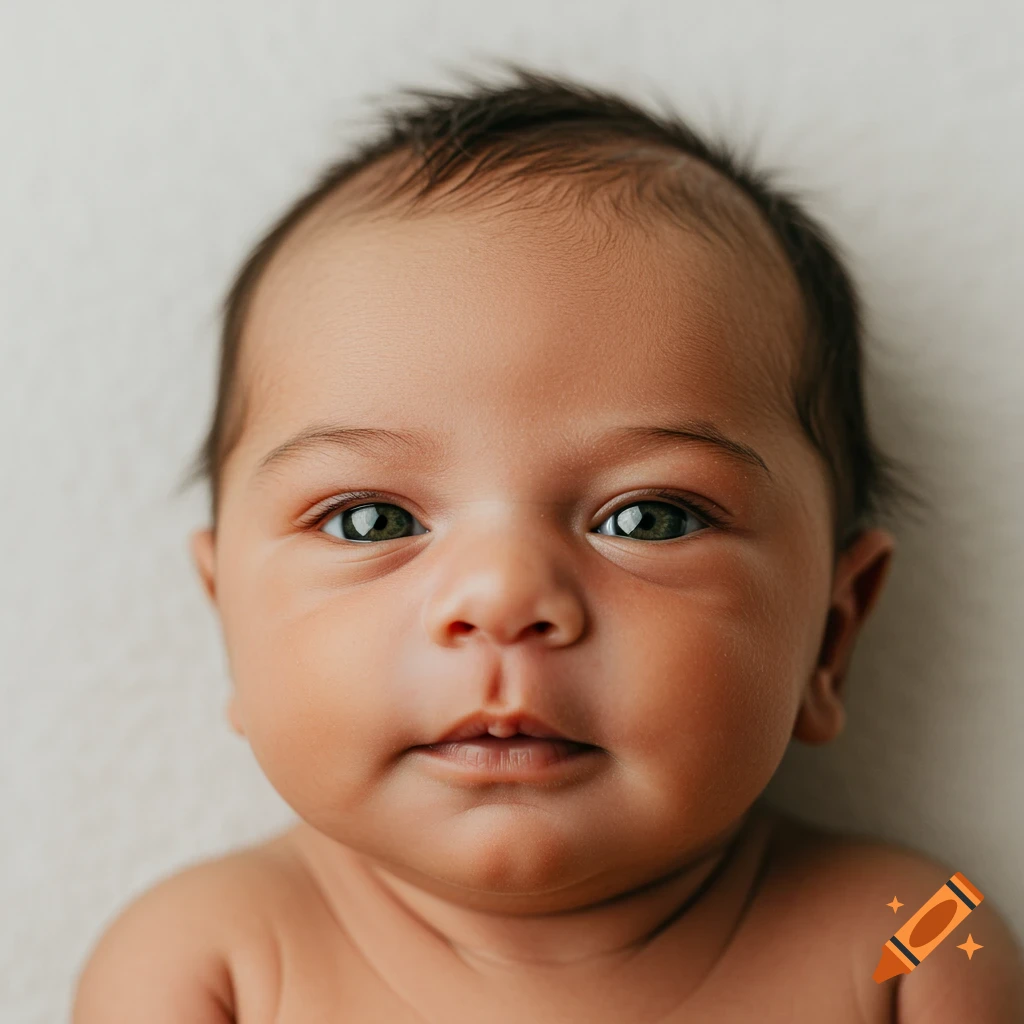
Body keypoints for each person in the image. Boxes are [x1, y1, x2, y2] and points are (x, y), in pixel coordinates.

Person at [72, 61, 1024, 1022]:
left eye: (649, 518)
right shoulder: (203, 964)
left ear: (831, 634)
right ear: (228, 624)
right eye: (372, 520)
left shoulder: (922, 936)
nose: (502, 596)